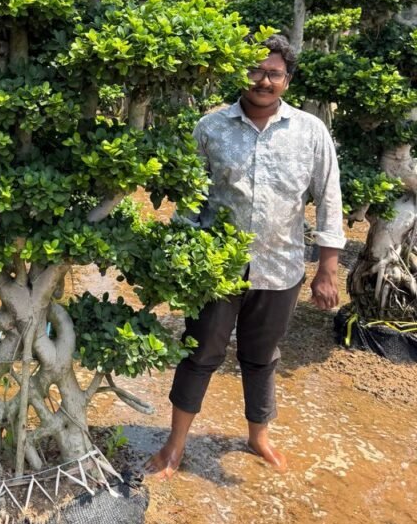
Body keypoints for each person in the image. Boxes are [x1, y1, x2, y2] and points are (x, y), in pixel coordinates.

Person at [146, 34, 345, 478]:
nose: (263, 80)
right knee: (200, 353)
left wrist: (327, 269)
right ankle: (174, 445)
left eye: (274, 73)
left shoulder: (310, 132)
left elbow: (329, 199)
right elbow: (191, 200)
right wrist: (181, 262)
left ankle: (259, 437)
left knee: (262, 355)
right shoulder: (210, 127)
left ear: (287, 80)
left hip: (281, 266)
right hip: (216, 269)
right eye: (255, 70)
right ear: (241, 73)